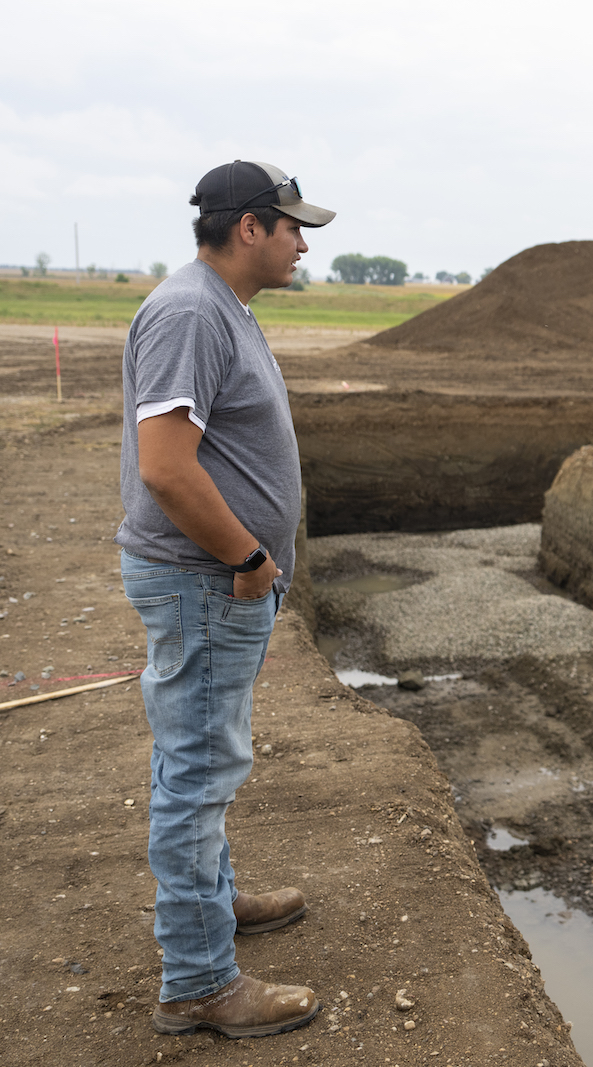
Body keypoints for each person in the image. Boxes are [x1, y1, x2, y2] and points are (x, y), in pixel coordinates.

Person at [116, 161, 335, 1038]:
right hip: (206, 578)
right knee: (198, 773)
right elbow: (166, 465)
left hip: (216, 581)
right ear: (249, 227)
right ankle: (200, 979)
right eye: (292, 227)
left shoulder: (220, 308)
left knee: (207, 757)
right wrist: (247, 555)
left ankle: (215, 903)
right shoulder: (189, 312)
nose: (303, 243)